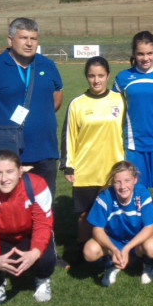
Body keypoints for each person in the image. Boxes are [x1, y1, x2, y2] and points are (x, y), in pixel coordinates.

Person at [0, 17, 63, 198]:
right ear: (10, 40)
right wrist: (3, 124)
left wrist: (39, 119)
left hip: (45, 150)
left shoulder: (47, 65)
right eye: (23, 38)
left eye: (33, 39)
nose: (29, 43)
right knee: (10, 206)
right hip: (9, 152)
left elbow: (56, 98)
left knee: (44, 204)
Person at [0, 150, 56, 305]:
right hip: (1, 237)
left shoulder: (37, 185)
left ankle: (42, 279)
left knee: (47, 258)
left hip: (28, 234)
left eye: (10, 171)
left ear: (20, 171)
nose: (4, 179)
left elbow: (43, 223)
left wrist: (35, 252)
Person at [114, 31, 153, 232]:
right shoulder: (123, 78)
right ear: (134, 54)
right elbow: (115, 108)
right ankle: (140, 233)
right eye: (140, 53)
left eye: (149, 53)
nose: (145, 58)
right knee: (135, 191)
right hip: (134, 145)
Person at [60, 56, 124, 250]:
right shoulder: (77, 104)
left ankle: (112, 252)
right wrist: (68, 166)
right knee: (85, 216)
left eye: (101, 76)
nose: (96, 80)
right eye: (91, 76)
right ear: (86, 77)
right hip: (86, 170)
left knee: (113, 213)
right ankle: (83, 252)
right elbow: (69, 136)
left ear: (108, 76)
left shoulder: (119, 100)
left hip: (113, 169)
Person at [83, 161, 153, 286]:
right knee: (90, 251)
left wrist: (127, 248)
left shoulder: (142, 193)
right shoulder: (105, 196)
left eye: (127, 181)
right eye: (117, 182)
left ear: (135, 180)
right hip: (114, 241)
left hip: (138, 242)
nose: (123, 186)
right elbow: (97, 230)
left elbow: (150, 227)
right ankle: (111, 264)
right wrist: (113, 249)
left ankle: (147, 265)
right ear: (112, 182)